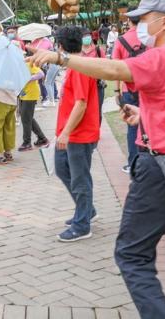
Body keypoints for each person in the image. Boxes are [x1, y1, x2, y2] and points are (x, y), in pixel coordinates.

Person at [30, 0, 165, 318]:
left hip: (162, 172)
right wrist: (145, 117)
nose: (138, 27)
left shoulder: (162, 56)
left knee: (132, 255)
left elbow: (115, 70)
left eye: (143, 20)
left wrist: (62, 58)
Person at [46, 26, 100, 242]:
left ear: (60, 46)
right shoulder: (77, 65)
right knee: (62, 169)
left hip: (79, 134)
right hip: (69, 133)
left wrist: (66, 132)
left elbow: (81, 103)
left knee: (80, 179)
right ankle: (86, 210)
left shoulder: (79, 68)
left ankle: (82, 224)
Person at [111, 10, 146, 172]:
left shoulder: (121, 40)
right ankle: (148, 160)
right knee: (149, 123)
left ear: (129, 20)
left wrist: (117, 91)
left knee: (132, 127)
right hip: (148, 89)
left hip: (128, 90)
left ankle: (133, 163)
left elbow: (115, 69)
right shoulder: (149, 38)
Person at [17, 48, 49, 151]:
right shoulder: (17, 66)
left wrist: (29, 78)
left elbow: (41, 74)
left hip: (31, 94)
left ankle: (27, 143)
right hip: (23, 94)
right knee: (26, 117)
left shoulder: (28, 63)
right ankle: (42, 138)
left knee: (26, 119)